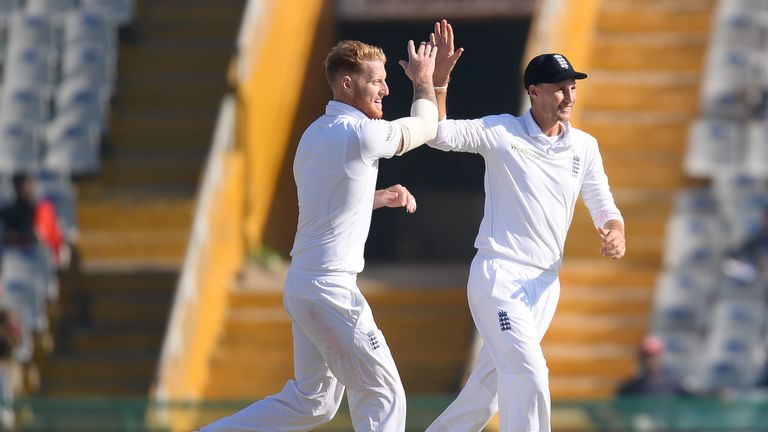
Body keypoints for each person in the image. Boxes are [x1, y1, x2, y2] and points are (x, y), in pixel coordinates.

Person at [199, 39, 439, 431]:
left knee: (313, 403)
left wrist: (377, 197)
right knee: (384, 391)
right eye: (376, 81)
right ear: (346, 84)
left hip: (304, 284)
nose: (386, 90)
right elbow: (427, 127)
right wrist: (426, 81)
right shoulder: (362, 134)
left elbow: (327, 202)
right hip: (331, 289)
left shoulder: (315, 134)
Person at [423, 20, 626, 432]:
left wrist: (614, 229)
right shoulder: (502, 131)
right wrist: (437, 82)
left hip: (545, 284)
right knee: (530, 375)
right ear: (533, 91)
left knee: (487, 392)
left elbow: (601, 199)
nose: (568, 96)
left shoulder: (583, 146)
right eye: (558, 88)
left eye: (572, 86)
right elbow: (438, 135)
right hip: (500, 274)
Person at [617, 335, 687, 396]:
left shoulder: (675, 387)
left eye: (654, 356)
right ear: (640, 358)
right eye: (647, 356)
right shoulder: (629, 388)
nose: (650, 360)